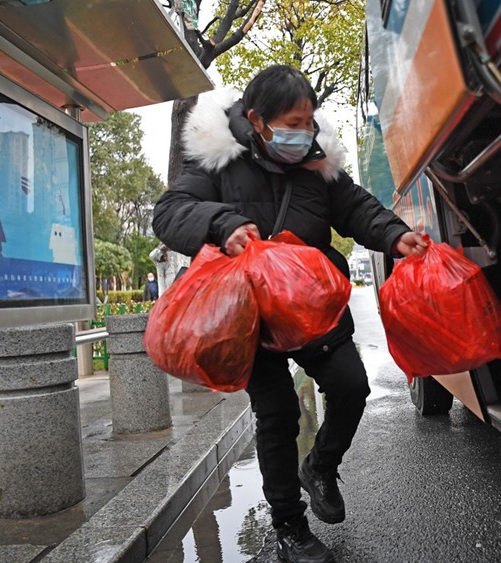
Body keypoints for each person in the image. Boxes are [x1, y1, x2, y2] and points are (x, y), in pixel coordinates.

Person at [152, 65, 428, 562]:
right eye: (293, 122)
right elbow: (170, 210)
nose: (303, 133)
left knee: (351, 387)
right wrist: (222, 224)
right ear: (257, 120)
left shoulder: (318, 165)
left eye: (309, 121)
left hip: (312, 308)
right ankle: (290, 530)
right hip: (249, 320)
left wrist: (395, 234)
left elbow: (358, 209)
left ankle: (320, 466)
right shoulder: (218, 160)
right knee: (275, 416)